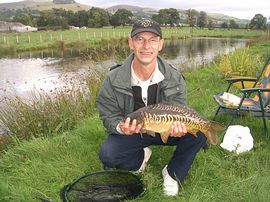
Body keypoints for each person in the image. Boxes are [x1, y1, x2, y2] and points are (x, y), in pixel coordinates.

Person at [97, 18, 207, 196]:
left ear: (160, 44)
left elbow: (180, 108)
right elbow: (108, 115)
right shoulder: (113, 78)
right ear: (131, 43)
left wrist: (178, 127)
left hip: (167, 128)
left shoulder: (174, 76)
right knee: (108, 154)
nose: (146, 46)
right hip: (135, 131)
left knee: (199, 133)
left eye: (152, 40)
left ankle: (172, 173)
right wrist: (120, 127)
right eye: (140, 39)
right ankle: (141, 157)